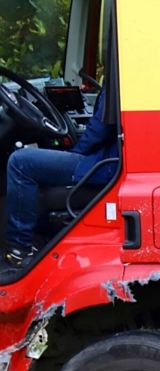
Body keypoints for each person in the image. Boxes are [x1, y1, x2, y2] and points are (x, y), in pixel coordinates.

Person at [4, 87, 118, 267]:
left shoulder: (117, 77)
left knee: (20, 162)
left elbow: (101, 127)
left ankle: (20, 248)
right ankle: (40, 238)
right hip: (108, 159)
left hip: (103, 164)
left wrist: (76, 152)